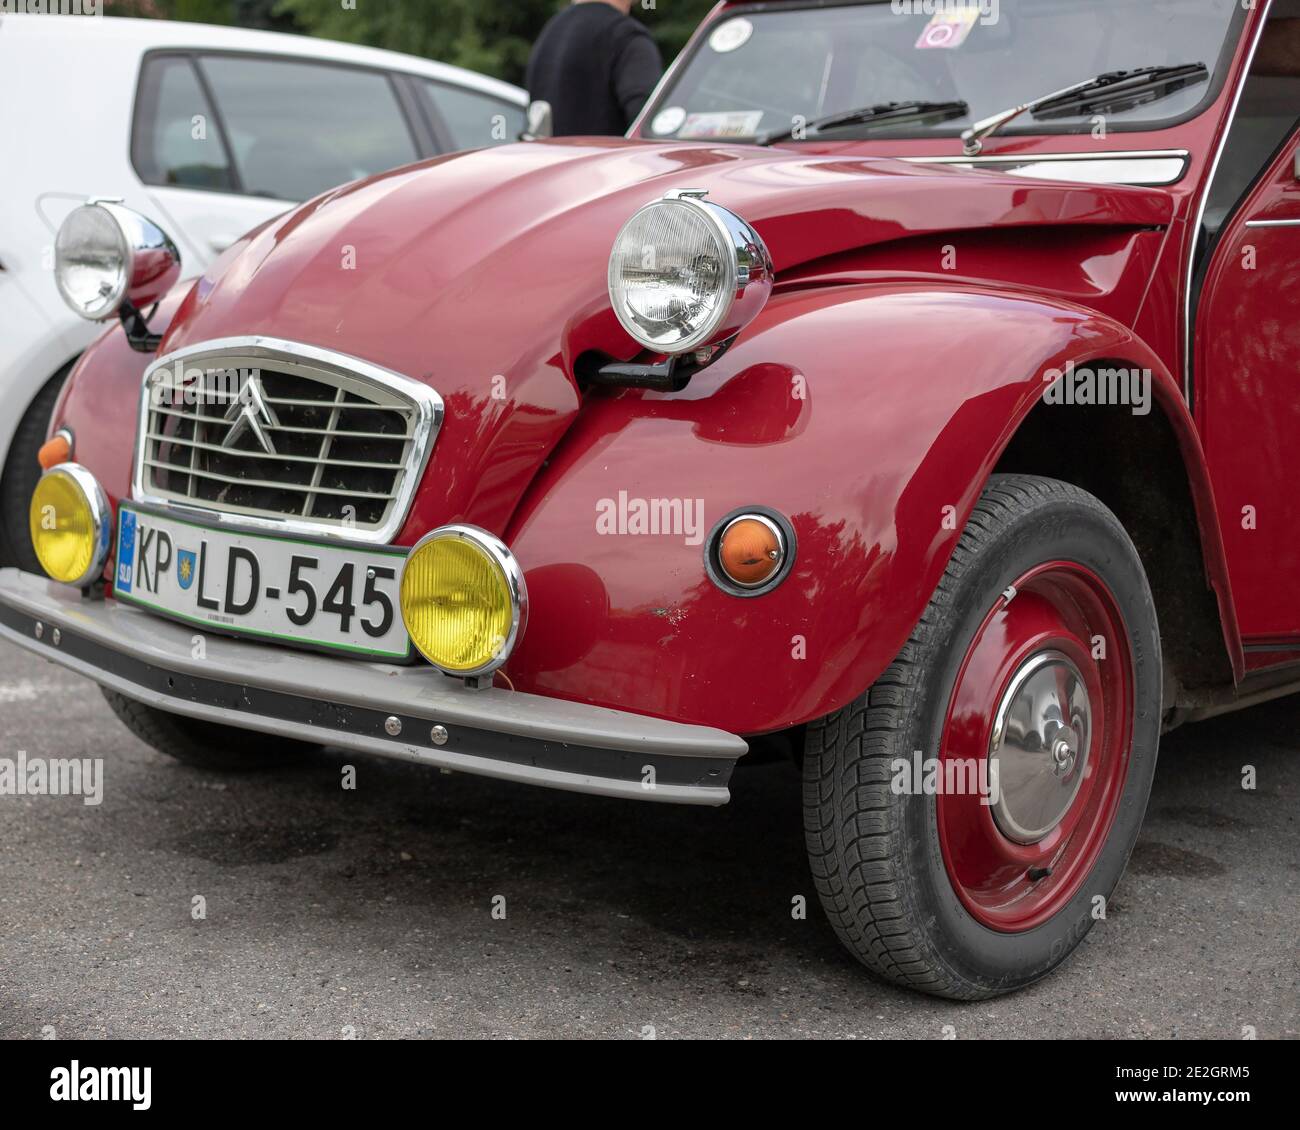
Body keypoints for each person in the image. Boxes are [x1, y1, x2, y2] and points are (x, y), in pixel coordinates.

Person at [526, 0, 663, 136]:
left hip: (554, 157)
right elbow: (652, 131)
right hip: (608, 157)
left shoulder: (550, 33)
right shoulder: (626, 35)